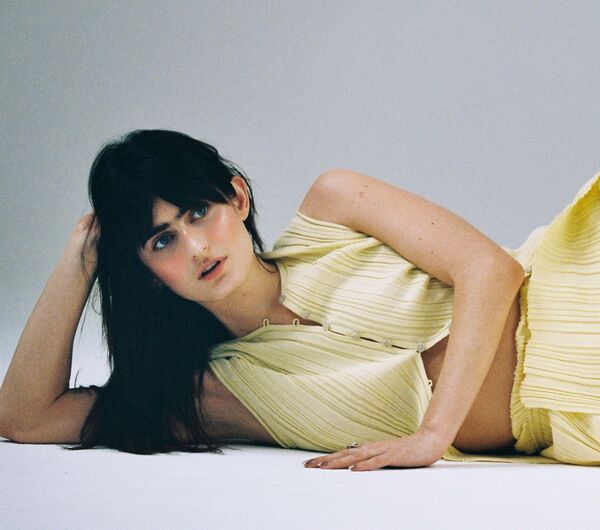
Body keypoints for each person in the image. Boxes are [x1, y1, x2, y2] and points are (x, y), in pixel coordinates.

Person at [1, 129, 599, 470]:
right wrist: (83, 255)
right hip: (571, 423)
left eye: (199, 211)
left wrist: (431, 437)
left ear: (238, 197)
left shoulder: (333, 207)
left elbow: (491, 270)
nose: (195, 246)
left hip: (574, 283)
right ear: (149, 273)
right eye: (162, 241)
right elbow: (24, 417)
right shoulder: (216, 393)